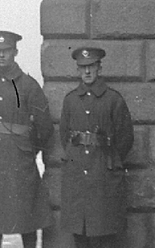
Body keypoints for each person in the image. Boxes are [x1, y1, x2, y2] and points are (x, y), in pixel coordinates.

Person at [0, 30, 52, 248]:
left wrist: (27, 149)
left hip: (20, 162)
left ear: (15, 52)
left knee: (26, 216)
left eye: (6, 51)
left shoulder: (28, 86)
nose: (2, 56)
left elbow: (44, 127)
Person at [55, 46, 135, 248]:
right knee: (79, 234)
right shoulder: (71, 100)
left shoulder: (113, 100)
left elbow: (125, 138)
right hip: (77, 177)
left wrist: (108, 161)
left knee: (104, 234)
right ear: (77, 70)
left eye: (91, 66)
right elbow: (65, 135)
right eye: (83, 68)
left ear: (99, 68)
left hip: (103, 177)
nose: (87, 72)